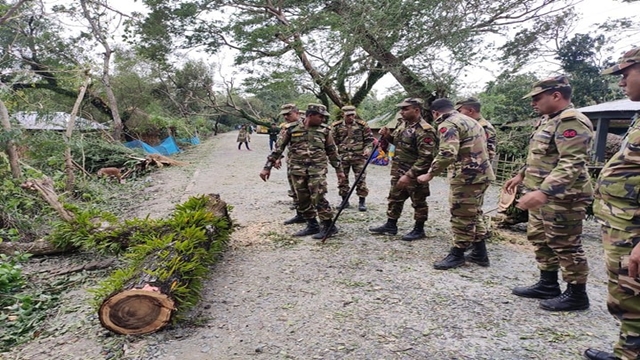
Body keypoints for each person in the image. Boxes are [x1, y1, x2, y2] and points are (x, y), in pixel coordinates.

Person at [504, 75, 593, 312]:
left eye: (537, 97)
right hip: (541, 193)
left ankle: (576, 295)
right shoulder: (547, 120)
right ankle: (548, 284)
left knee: (566, 244)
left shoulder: (571, 121)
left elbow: (572, 162)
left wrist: (544, 191)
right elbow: (541, 155)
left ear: (556, 95)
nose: (533, 103)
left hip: (565, 197)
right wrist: (521, 175)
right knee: (540, 238)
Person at [584, 47, 640, 360]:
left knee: (633, 296)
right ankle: (628, 350)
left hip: (635, 231)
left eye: (625, 73)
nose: (621, 83)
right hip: (624, 225)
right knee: (627, 296)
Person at [417, 98, 495, 270]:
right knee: (474, 213)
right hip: (481, 173)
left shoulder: (448, 124)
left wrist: (430, 174)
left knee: (460, 214)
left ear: (435, 113)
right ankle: (480, 253)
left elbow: (447, 153)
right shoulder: (472, 121)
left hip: (467, 176)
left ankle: (457, 254)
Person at [260, 104, 346, 239]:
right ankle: (312, 225)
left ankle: (329, 226)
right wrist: (267, 167)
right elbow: (278, 149)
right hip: (297, 169)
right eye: (320, 116)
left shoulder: (324, 130)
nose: (323, 119)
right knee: (302, 198)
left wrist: (339, 171)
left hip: (317, 169)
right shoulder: (291, 129)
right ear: (310, 116)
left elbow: (332, 151)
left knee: (318, 196)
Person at [369, 98, 437, 241]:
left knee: (418, 201)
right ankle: (390, 225)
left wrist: (409, 175)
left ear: (416, 110)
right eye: (401, 109)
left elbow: (426, 157)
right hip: (398, 170)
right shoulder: (402, 124)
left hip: (414, 173)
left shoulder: (425, 130)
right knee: (395, 198)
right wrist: (387, 136)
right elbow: (398, 143)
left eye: (406, 109)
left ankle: (419, 229)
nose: (401, 112)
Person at [455, 97, 498, 264]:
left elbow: (488, 154)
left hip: (475, 175)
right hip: (470, 174)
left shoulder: (484, 127)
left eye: (460, 111)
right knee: (473, 210)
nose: (458, 115)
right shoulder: (470, 125)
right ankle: (477, 248)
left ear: (470, 111)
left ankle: (471, 245)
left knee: (471, 210)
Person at [330, 105, 375, 211]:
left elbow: (369, 140)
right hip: (343, 157)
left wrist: (368, 149)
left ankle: (362, 202)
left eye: (352, 115)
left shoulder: (362, 125)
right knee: (342, 180)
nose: (351, 117)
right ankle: (344, 201)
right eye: (348, 115)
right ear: (343, 115)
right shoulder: (336, 126)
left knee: (360, 179)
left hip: (359, 156)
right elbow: (332, 142)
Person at [275, 104, 305, 225]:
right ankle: (300, 214)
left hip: (309, 165)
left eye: (289, 114)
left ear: (297, 113)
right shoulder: (287, 128)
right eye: (284, 115)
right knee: (295, 189)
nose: (286, 117)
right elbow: (280, 144)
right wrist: (278, 158)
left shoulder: (309, 124)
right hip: (293, 162)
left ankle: (314, 219)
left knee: (308, 191)